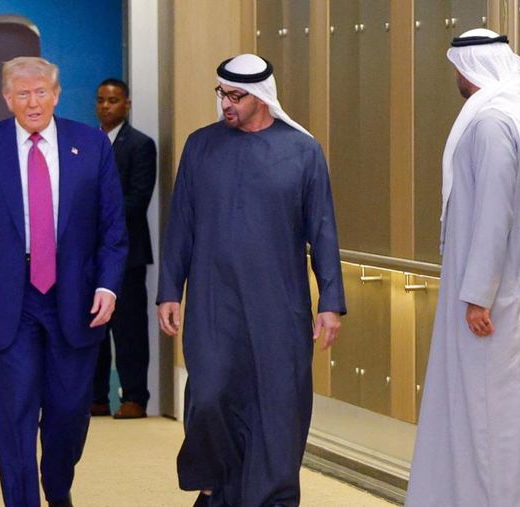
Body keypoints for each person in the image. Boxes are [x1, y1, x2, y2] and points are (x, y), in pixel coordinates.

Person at [157, 54, 346, 507]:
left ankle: (272, 498)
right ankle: (215, 483)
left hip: (278, 305)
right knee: (209, 395)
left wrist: (331, 302)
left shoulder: (302, 151)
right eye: (222, 93)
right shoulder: (200, 146)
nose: (226, 104)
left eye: (236, 96)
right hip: (212, 300)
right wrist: (169, 290)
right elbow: (181, 223)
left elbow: (322, 229)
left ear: (261, 96)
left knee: (277, 407)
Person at [0, 56, 128, 507]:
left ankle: (58, 483)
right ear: (8, 98)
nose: (33, 102)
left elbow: (113, 229)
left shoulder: (91, 145)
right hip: (6, 299)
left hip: (76, 296)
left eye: (42, 92)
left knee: (69, 412)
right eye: (23, 94)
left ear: (57, 94)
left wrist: (108, 286)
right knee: (14, 416)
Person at [405, 29, 520, 507]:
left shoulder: (491, 123)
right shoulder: (514, 113)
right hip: (490, 290)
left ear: (472, 68)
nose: (456, 76)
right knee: (482, 410)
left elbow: (494, 215)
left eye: (457, 67)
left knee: (486, 415)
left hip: (486, 298)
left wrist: (477, 296)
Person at [91, 78, 157, 419]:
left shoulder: (141, 145)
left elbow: (136, 201)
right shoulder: (84, 144)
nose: (106, 106)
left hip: (127, 254)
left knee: (129, 329)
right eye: (101, 100)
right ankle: (96, 398)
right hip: (88, 256)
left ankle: (134, 398)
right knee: (92, 329)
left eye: (113, 100)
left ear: (127, 105)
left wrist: (94, 216)